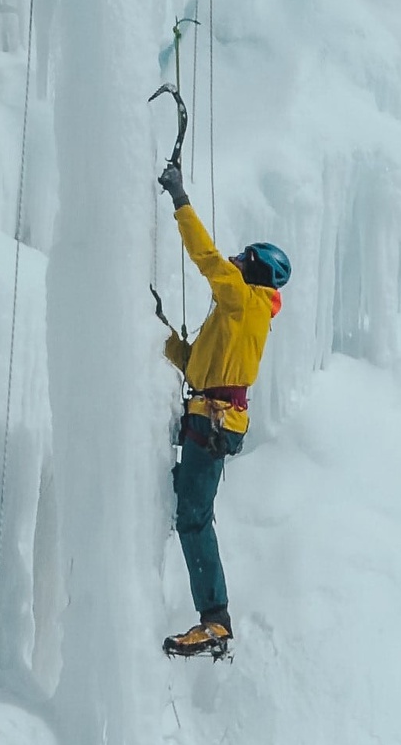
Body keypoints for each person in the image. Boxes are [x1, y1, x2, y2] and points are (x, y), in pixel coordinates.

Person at [157, 163, 291, 658]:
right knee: (184, 507)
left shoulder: (246, 301)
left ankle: (215, 619)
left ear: (255, 270)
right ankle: (213, 617)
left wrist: (180, 201)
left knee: (193, 518)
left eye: (244, 257)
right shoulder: (236, 314)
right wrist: (160, 332)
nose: (235, 259)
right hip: (207, 418)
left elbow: (208, 259)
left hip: (213, 424)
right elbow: (194, 364)